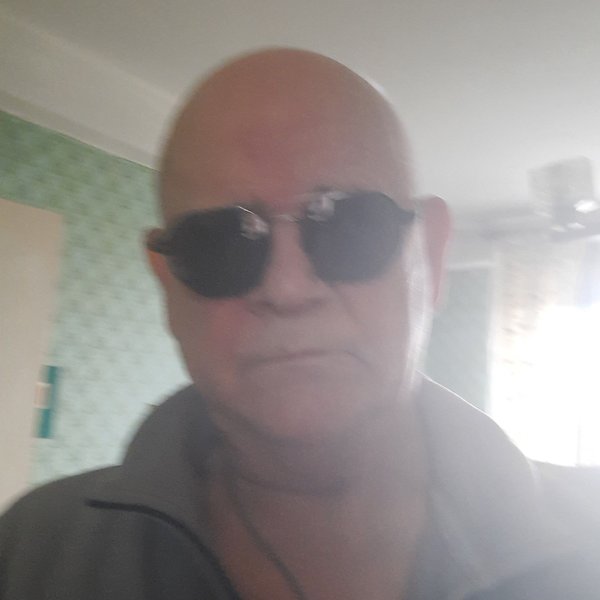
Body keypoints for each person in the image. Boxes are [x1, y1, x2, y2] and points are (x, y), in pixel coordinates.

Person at [0, 48, 598, 600]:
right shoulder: (32, 554)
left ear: (432, 259)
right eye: (220, 243)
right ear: (168, 284)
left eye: (350, 225)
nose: (287, 290)